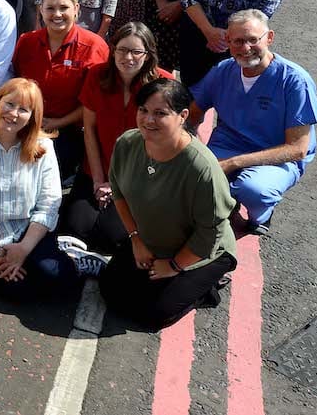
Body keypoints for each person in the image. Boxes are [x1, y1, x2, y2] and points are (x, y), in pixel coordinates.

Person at [99, 79, 237, 331]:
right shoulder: (128, 143)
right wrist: (136, 239)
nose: (148, 120)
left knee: (153, 315)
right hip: (151, 242)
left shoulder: (202, 168)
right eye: (143, 110)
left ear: (183, 115)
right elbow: (118, 192)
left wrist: (174, 266)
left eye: (160, 113)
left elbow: (211, 232)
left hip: (201, 251)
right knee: (110, 291)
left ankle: (206, 290)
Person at [189, 10, 317, 236]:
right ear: (228, 42)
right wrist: (190, 146)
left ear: (269, 38)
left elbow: (297, 149)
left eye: (253, 39)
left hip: (276, 155)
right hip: (227, 145)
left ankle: (260, 215)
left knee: (254, 190)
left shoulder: (294, 80)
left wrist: (234, 163)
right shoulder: (223, 71)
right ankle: (226, 204)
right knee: (187, 174)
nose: (246, 47)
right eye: (238, 41)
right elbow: (194, 112)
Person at [0, 78, 93, 299]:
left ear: (33, 116)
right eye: (9, 104)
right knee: (11, 288)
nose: (13, 113)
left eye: (24, 109)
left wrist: (23, 250)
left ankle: (72, 256)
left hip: (29, 232)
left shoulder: (44, 147)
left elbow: (49, 204)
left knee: (55, 277)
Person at [68, 23, 173, 253]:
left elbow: (164, 145)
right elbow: (90, 131)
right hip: (98, 169)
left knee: (112, 236)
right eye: (122, 50)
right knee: (77, 226)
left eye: (136, 52)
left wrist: (117, 187)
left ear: (148, 54)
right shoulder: (97, 75)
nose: (128, 57)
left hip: (139, 178)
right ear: (112, 49)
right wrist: (97, 180)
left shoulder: (164, 85)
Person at [13, 0, 108, 182]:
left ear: (76, 9)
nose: (57, 14)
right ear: (40, 10)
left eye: (64, 8)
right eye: (50, 8)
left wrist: (58, 123)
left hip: (72, 130)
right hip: (29, 124)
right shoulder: (26, 42)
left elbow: (96, 100)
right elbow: (17, 85)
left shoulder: (94, 46)